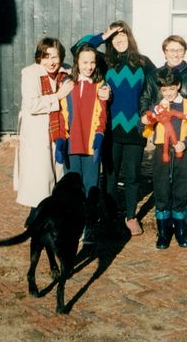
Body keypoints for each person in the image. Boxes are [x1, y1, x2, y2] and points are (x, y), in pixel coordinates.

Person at [73, 21, 156, 236]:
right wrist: (103, 35)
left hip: (135, 129)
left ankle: (130, 216)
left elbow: (161, 83)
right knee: (109, 175)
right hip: (110, 129)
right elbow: (78, 48)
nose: (119, 39)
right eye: (114, 36)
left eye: (123, 34)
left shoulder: (143, 62)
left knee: (132, 176)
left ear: (130, 36)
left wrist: (150, 114)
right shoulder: (103, 61)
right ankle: (109, 217)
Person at [140, 35, 187, 241]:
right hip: (164, 137)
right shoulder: (155, 75)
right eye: (171, 50)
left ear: (185, 51)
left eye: (179, 49)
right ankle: (168, 227)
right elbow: (145, 99)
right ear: (164, 52)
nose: (175, 53)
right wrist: (147, 117)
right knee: (165, 183)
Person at [13, 37, 74, 227]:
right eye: (45, 57)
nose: (51, 62)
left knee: (58, 173)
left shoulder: (66, 72)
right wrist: (57, 96)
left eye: (54, 57)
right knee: (40, 177)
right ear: (39, 57)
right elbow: (31, 104)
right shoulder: (30, 73)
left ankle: (51, 214)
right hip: (38, 132)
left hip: (59, 130)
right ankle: (36, 215)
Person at [142, 68, 187, 249]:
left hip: (181, 152)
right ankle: (162, 234)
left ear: (178, 86)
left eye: (171, 88)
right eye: (164, 89)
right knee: (161, 191)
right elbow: (145, 127)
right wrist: (144, 121)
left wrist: (186, 143)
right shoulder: (157, 106)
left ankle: (181, 233)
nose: (168, 93)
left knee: (182, 190)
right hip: (162, 152)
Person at [60, 43, 108, 242]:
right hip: (72, 145)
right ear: (77, 63)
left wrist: (99, 136)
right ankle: (73, 226)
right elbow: (61, 113)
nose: (89, 66)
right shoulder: (67, 84)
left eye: (92, 62)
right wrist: (61, 139)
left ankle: (89, 226)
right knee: (72, 189)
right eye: (84, 62)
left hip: (90, 147)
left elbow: (102, 115)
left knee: (91, 187)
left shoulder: (100, 86)